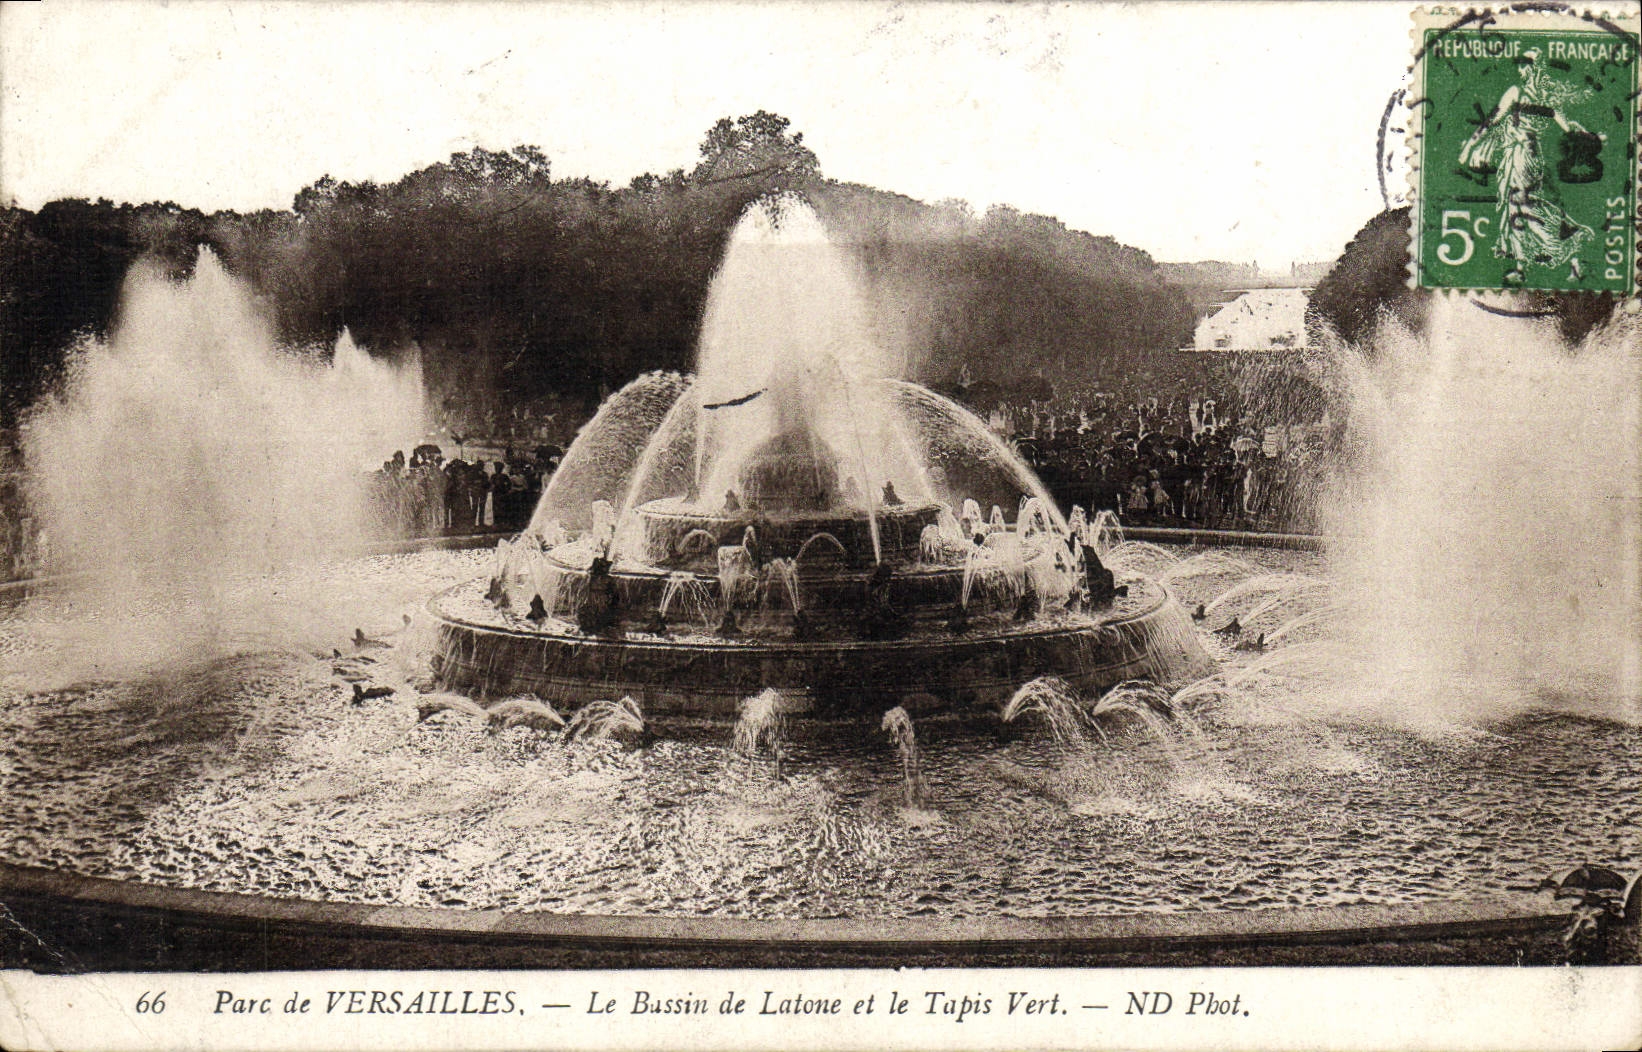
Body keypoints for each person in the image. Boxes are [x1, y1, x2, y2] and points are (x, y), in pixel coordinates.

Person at [1460, 48, 1595, 282]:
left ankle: (1569, 245)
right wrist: (1582, 132)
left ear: (1535, 68)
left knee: (1521, 204)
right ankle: (1526, 267)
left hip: (1521, 156)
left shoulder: (1516, 92)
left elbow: (1491, 120)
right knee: (1520, 205)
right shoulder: (1545, 97)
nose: (1521, 70)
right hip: (1529, 155)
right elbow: (1568, 128)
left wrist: (1469, 147)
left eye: (1526, 65)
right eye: (1520, 65)